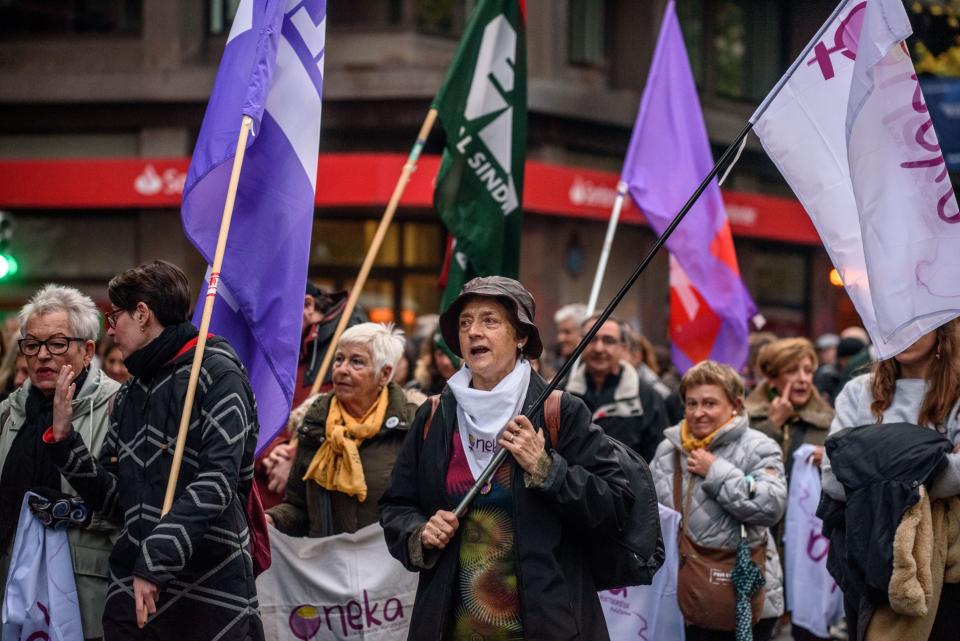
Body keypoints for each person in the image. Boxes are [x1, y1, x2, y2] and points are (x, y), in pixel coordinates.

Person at [379, 276, 634, 641]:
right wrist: (418, 532)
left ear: (521, 337)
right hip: (449, 627)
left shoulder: (558, 411)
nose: (473, 332)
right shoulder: (435, 415)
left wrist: (547, 469)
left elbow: (616, 505)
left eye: (489, 321)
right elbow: (396, 505)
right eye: (465, 323)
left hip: (549, 626)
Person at [41, 260, 263, 640]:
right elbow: (117, 503)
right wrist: (65, 441)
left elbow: (218, 482)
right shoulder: (130, 393)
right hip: (135, 592)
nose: (111, 331)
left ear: (143, 314)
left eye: (115, 317)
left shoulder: (218, 372)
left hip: (209, 591)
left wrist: (155, 562)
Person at [821, 320, 960, 639]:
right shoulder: (858, 392)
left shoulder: (957, 393)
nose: (904, 331)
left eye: (917, 323)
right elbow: (832, 478)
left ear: (940, 329)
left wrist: (870, 462)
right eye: (897, 321)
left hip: (945, 570)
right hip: (867, 558)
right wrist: (934, 459)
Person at [0, 285, 120, 641]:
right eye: (32, 345)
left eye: (56, 344)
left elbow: (132, 508)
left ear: (86, 351)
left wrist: (75, 512)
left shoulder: (121, 408)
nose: (42, 356)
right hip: (13, 601)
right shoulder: (7, 414)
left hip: (88, 605)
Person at [649, 360, 787, 641]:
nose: (698, 413)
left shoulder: (758, 447)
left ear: (735, 404)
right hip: (683, 595)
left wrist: (715, 471)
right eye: (691, 404)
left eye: (710, 404)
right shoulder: (668, 450)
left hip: (742, 593)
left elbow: (771, 505)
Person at [266, 322, 419, 536]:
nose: (342, 369)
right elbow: (298, 507)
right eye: (339, 359)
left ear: (384, 375)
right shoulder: (315, 423)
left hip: (390, 566)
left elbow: (421, 508)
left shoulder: (411, 425)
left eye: (356, 362)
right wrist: (273, 519)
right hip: (325, 564)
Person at [564, 314, 669, 462]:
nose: (599, 348)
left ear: (623, 348)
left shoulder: (646, 397)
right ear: (580, 343)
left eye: (608, 341)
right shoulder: (562, 394)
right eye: (591, 339)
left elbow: (659, 459)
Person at [745, 338, 834, 480]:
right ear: (772, 378)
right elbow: (742, 463)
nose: (803, 379)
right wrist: (773, 423)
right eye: (792, 371)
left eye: (808, 371)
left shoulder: (829, 421)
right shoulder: (746, 417)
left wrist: (830, 459)